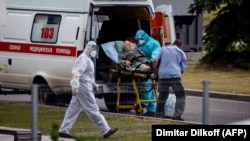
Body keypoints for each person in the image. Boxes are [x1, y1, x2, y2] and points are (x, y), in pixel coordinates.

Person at [58, 41, 118, 138]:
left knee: (72, 109)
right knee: (92, 108)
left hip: (84, 85)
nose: (94, 51)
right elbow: (76, 73)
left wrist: (93, 83)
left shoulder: (86, 58)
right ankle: (105, 130)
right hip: (83, 87)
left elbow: (86, 74)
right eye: (93, 49)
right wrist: (75, 86)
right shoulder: (83, 59)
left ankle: (63, 130)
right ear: (89, 48)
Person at [152, 39, 187, 121]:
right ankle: (177, 116)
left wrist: (155, 73)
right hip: (175, 76)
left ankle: (159, 114)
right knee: (181, 95)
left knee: (162, 95)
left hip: (163, 76)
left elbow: (155, 61)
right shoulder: (181, 52)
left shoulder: (163, 49)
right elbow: (182, 70)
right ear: (181, 46)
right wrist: (177, 75)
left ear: (172, 44)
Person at [134, 29, 161, 116]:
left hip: (151, 67)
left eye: (140, 39)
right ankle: (152, 109)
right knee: (150, 88)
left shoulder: (153, 44)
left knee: (148, 86)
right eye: (138, 39)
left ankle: (144, 104)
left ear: (144, 37)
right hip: (144, 66)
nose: (139, 41)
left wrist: (151, 65)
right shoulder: (140, 44)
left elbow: (155, 57)